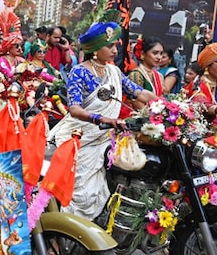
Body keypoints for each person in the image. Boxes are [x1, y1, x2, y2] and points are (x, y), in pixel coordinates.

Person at [48, 22, 155, 220]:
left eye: (116, 46)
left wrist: (167, 105)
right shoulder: (79, 72)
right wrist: (100, 118)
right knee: (81, 193)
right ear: (96, 50)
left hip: (106, 137)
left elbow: (139, 93)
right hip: (81, 138)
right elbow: (74, 108)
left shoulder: (114, 72)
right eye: (110, 46)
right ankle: (62, 235)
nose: (115, 50)